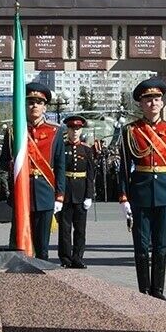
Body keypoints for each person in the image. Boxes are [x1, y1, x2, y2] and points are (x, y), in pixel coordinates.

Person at [118, 78, 166, 300]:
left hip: (165, 193)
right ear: (141, 104)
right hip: (140, 193)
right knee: (141, 246)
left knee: (160, 247)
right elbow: (124, 168)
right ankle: (143, 291)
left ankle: (158, 291)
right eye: (148, 100)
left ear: (162, 103)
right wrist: (124, 197)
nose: (153, 104)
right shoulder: (130, 131)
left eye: (157, 99)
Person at [0, 82, 65, 259]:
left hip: (45, 193)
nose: (34, 106)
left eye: (38, 102)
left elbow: (60, 165)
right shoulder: (14, 132)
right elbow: (3, 163)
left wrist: (59, 195)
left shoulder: (55, 132)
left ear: (45, 107)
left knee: (42, 247)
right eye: (30, 102)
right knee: (19, 243)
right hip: (22, 192)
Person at [58, 114, 96, 268]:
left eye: (78, 129)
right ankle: (65, 259)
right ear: (68, 129)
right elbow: (59, 171)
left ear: (81, 131)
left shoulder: (86, 150)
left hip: (81, 193)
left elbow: (91, 174)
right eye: (72, 128)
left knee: (80, 230)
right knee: (64, 229)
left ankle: (78, 257)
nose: (75, 132)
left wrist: (89, 195)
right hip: (66, 193)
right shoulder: (62, 147)